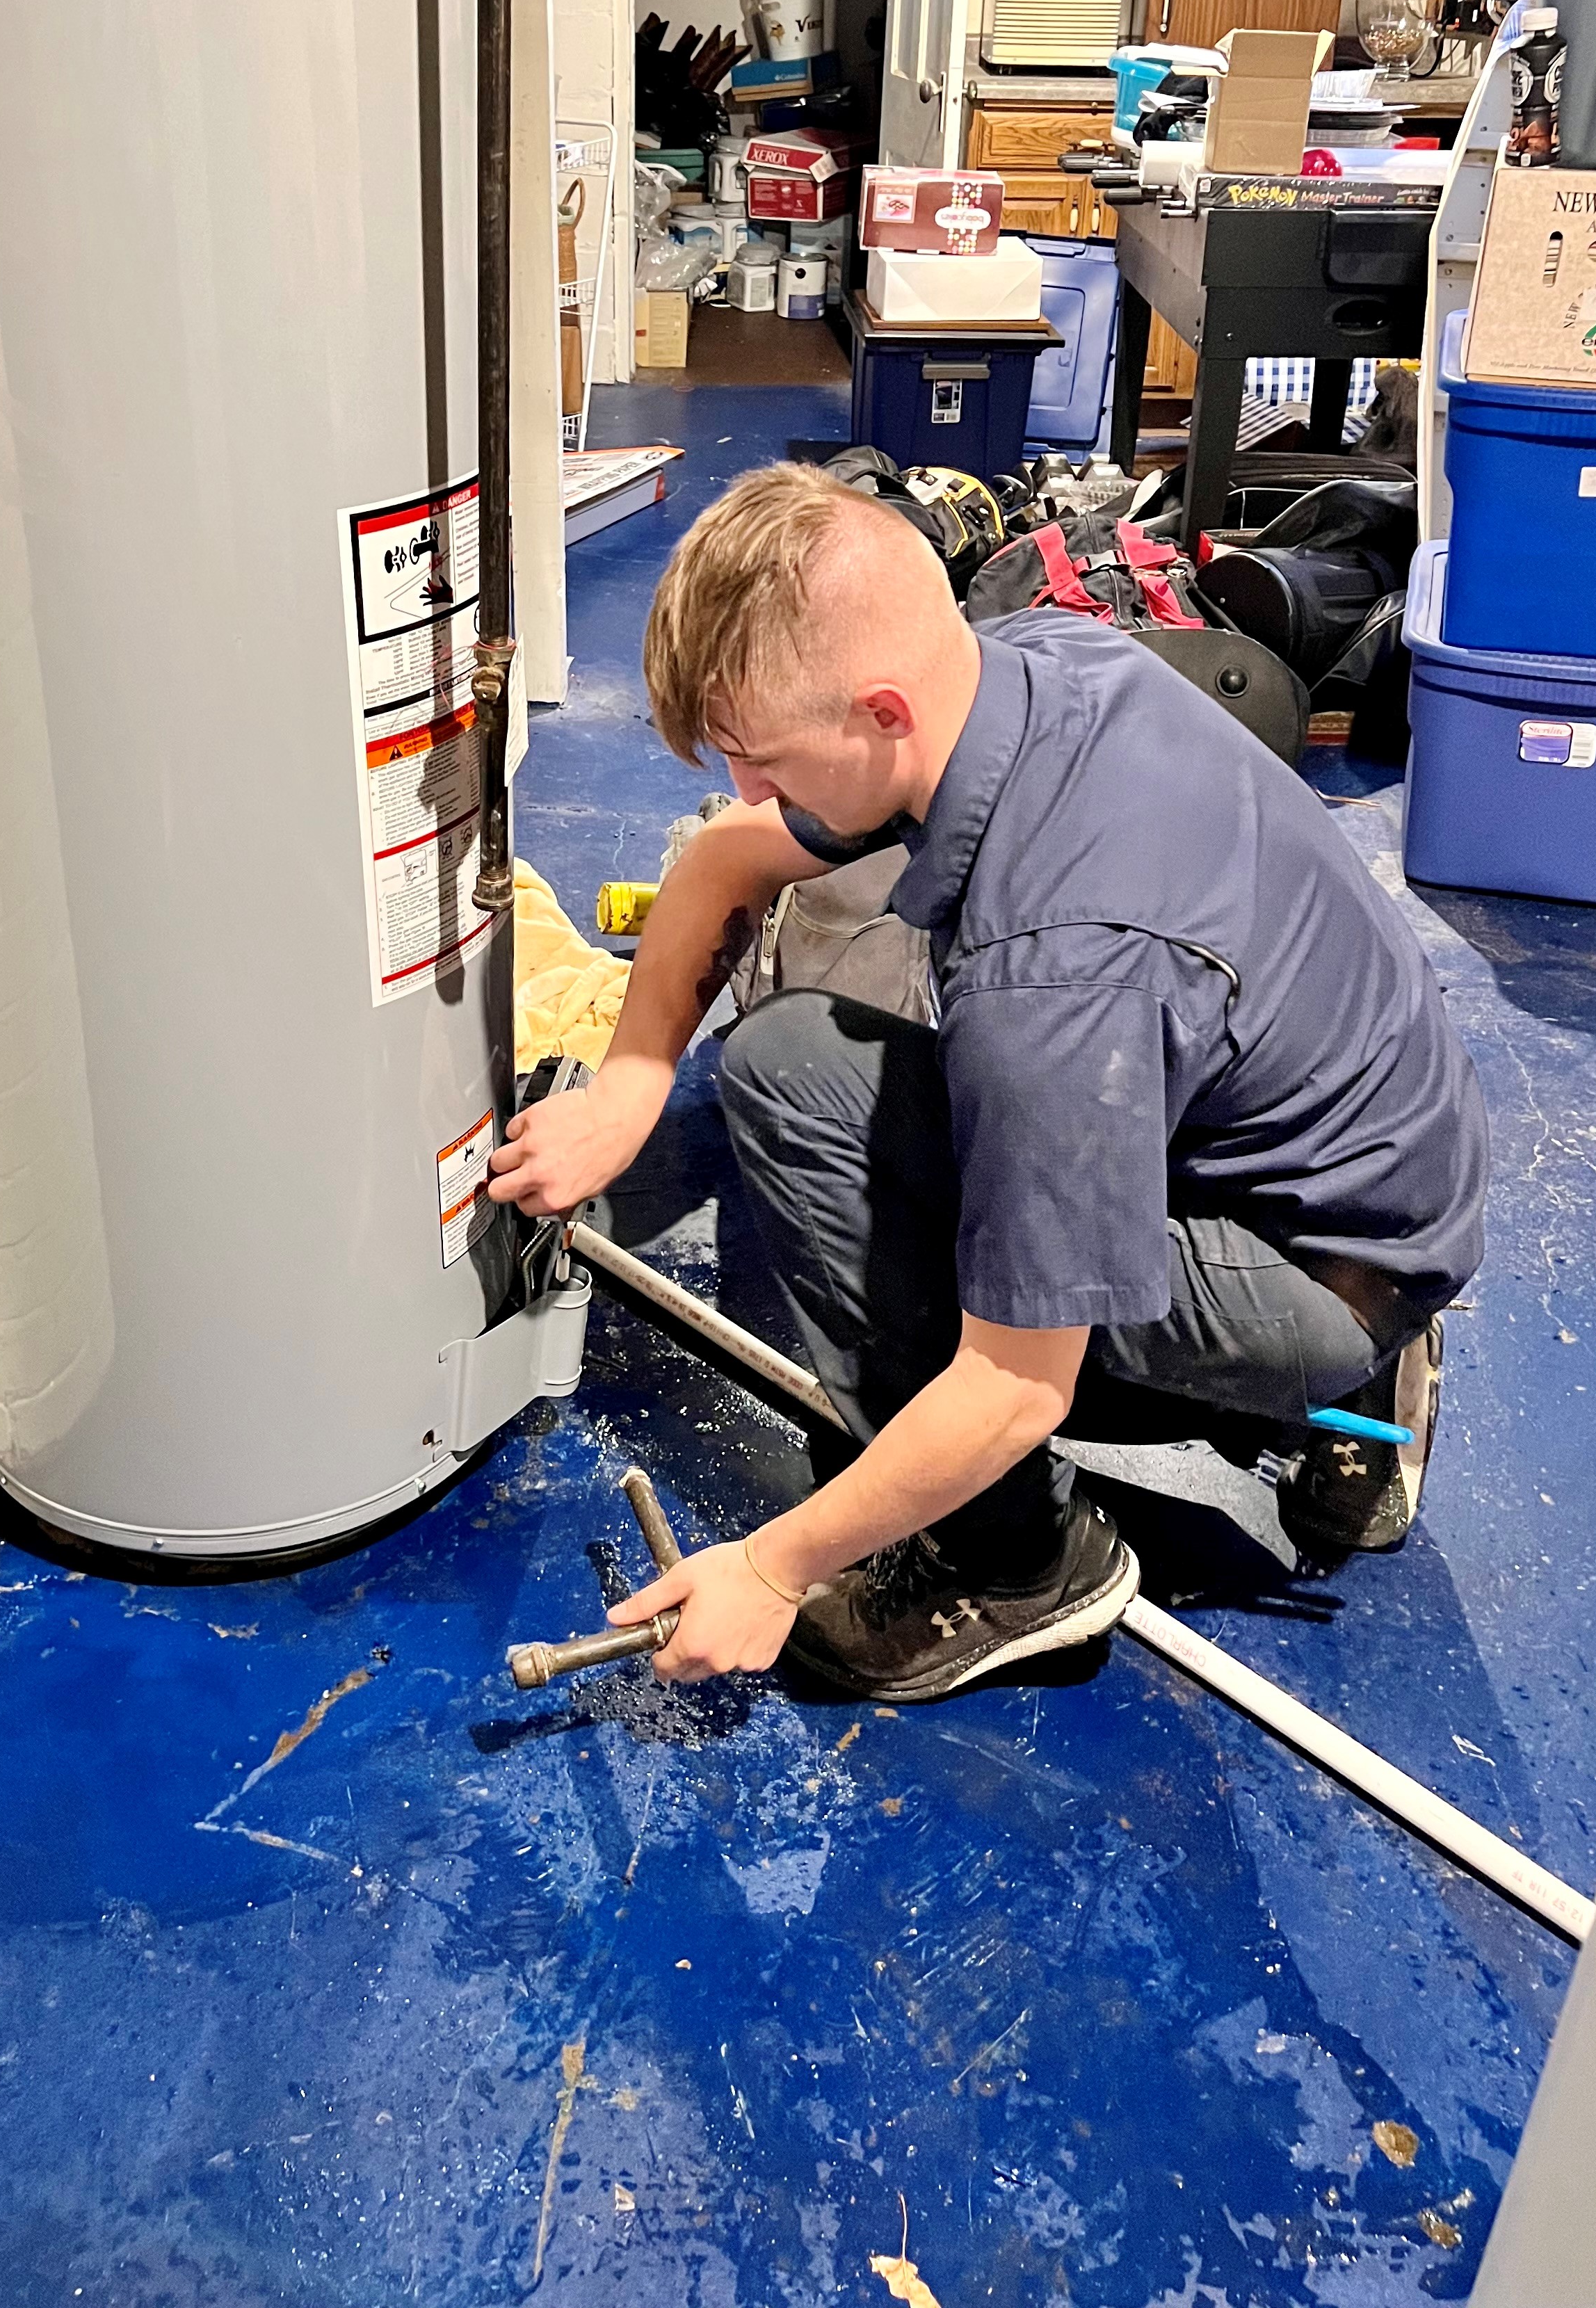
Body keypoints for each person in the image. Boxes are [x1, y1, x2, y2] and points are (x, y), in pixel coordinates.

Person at [487, 465, 1488, 1704]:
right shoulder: (1019, 668)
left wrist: (774, 1566)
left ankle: (1019, 1565)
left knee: (928, 1264)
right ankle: (1317, 1349)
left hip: (1327, 1259)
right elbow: (725, 863)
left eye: (763, 761)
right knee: (790, 1062)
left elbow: (1015, 1389)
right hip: (1352, 1137)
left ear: (880, 713)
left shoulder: (1052, 972)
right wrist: (626, 1095)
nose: (745, 794)